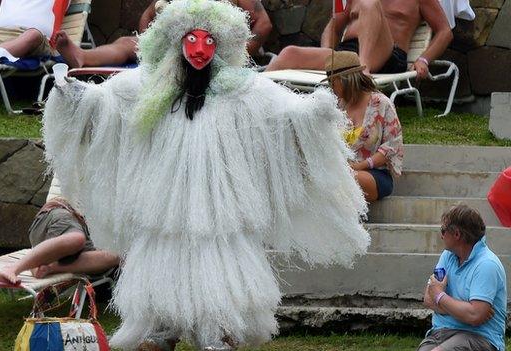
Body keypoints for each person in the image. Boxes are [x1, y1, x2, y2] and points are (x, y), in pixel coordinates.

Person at [43, 0, 370, 350]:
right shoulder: (152, 85)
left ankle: (219, 333)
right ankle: (162, 329)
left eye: (209, 42)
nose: (200, 50)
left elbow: (282, 110)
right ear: (177, 41)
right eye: (193, 40)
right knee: (163, 258)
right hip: (166, 201)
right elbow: (108, 102)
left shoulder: (241, 88)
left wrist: (312, 113)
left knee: (222, 266)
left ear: (222, 44)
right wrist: (77, 98)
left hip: (220, 204)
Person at [265, 0, 453, 80]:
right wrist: (327, 51)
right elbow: (334, 25)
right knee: (289, 53)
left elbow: (444, 31)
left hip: (387, 54)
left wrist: (423, 59)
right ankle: (250, 98)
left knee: (369, 3)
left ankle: (362, 69)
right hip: (349, 52)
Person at [53, 0, 273, 68]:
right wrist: (150, 43)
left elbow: (263, 24)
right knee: (126, 43)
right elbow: (147, 15)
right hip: (172, 50)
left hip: (214, 51)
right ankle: (82, 56)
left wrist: (241, 54)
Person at [418, 204, 507, 351]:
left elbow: (474, 316)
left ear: (457, 234)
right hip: (442, 332)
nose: (441, 235)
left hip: (479, 337)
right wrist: (464, 310)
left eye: (443, 230)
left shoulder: (486, 265)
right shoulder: (447, 256)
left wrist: (440, 296)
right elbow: (428, 298)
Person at [324, 51, 403, 202]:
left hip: (373, 173)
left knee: (348, 179)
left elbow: (391, 146)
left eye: (332, 82)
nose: (330, 87)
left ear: (345, 80)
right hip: (342, 171)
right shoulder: (338, 107)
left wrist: (359, 166)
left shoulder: (381, 104)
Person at [0, 197, 120, 285]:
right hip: (61, 214)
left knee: (117, 256)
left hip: (73, 239)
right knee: (76, 239)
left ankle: (48, 265)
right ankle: (12, 269)